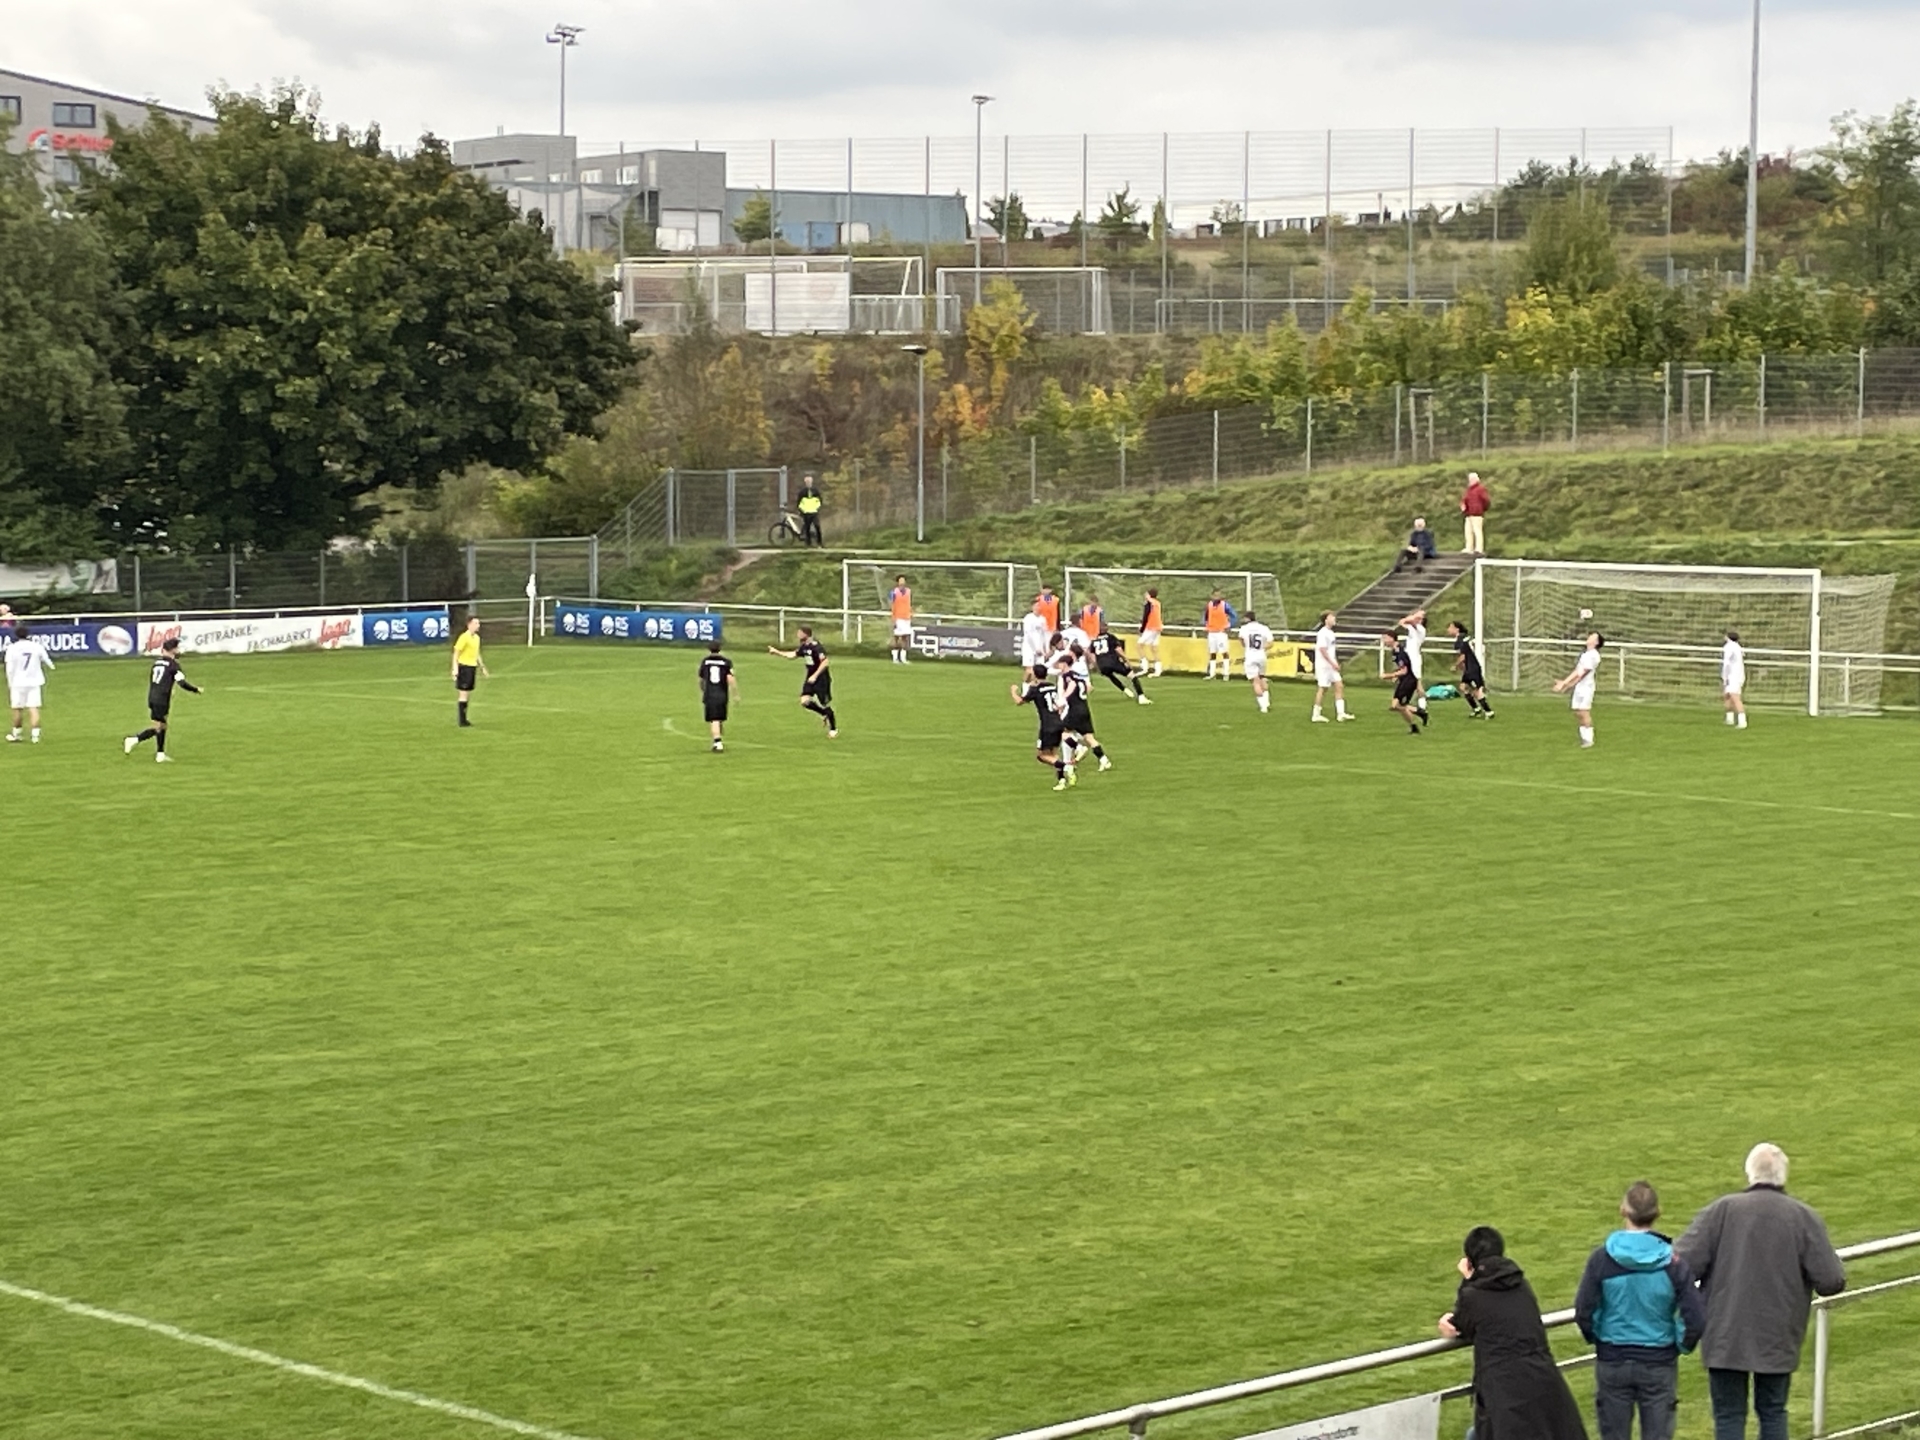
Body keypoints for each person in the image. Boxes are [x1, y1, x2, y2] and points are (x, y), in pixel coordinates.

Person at [1674, 1144, 1846, 1440]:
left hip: (1726, 1334)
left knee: (1729, 1415)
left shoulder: (1721, 1211)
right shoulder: (1803, 1217)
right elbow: (1831, 1280)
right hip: (1777, 1334)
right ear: (1783, 1175)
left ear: (1749, 1172)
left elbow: (1682, 1266)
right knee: (1773, 1411)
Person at [1575, 1181, 1708, 1440]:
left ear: (1623, 1210)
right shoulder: (1673, 1264)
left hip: (1613, 1359)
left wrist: (1598, 1337)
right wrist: (1679, 1344)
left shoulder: (1602, 1259)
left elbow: (1584, 1310)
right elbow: (1696, 1318)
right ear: (1658, 1213)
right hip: (1658, 1361)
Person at [1439, 1226, 1589, 1440]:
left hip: (1506, 1393)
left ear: (1470, 1261)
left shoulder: (1473, 1295)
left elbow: (1461, 1323)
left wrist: (1468, 1280)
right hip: (1543, 1380)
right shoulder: (1522, 1286)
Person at [125, 637, 203, 763]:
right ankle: (134, 740)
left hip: (153, 696)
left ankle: (160, 754)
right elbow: (182, 683)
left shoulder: (156, 663)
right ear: (172, 650)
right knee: (159, 727)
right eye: (177, 648)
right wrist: (196, 689)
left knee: (162, 725)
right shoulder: (173, 665)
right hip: (161, 699)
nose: (179, 650)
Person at [1012, 664, 1074, 791]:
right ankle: (1061, 781)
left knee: (1041, 756)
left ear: (1035, 674)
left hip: (1047, 726)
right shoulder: (1052, 686)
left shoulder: (1035, 689)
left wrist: (1013, 691)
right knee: (1053, 754)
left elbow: (1019, 701)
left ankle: (1066, 767)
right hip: (1058, 722)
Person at [769, 626, 838, 737]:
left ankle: (833, 729)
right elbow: (792, 655)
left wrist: (815, 676)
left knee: (825, 704)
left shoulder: (817, 647)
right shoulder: (804, 647)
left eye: (799, 633)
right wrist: (777, 652)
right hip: (810, 678)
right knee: (804, 701)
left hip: (821, 679)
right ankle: (824, 714)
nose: (798, 635)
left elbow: (825, 662)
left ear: (806, 634)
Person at [1054, 644, 1110, 773]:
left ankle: (1079, 748)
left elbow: (1070, 689)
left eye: (1060, 664)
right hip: (1084, 708)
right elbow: (1087, 688)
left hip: (1075, 710)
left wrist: (1060, 703)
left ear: (1065, 664)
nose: (1059, 666)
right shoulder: (1079, 676)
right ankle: (1104, 760)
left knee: (1061, 731)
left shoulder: (1068, 677)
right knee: (1089, 738)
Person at [5, 620, 53, 744]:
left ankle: (16, 734)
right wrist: (50, 666)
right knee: (33, 708)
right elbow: (47, 660)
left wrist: (10, 682)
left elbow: (9, 668)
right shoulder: (36, 646)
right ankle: (35, 736)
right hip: (34, 681)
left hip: (17, 682)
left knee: (17, 708)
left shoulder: (12, 648)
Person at [1553, 632, 1604, 748]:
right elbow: (1577, 672)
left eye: (1592, 637)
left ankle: (1589, 739)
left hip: (1587, 687)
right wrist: (1566, 684)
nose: (1589, 638)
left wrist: (1565, 683)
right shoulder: (1585, 654)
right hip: (1580, 686)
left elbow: (1582, 673)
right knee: (1577, 711)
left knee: (1584, 711)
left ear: (1596, 642)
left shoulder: (1594, 655)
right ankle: (1584, 738)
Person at [1311, 611, 1353, 722]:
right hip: (1324, 665)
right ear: (1326, 620)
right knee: (1323, 688)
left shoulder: (1330, 633)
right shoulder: (1322, 633)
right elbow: (1322, 650)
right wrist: (1332, 663)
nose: (1334, 618)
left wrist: (1334, 662)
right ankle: (1316, 714)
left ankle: (1341, 713)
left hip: (1330, 665)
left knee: (1339, 685)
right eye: (1331, 617)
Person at [1449, 620, 1495, 719]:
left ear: (1456, 629)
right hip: (1469, 669)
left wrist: (1455, 666)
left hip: (1473, 668)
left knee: (1476, 691)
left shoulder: (1461, 639)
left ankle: (1489, 711)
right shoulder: (1463, 638)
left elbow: (1463, 656)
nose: (1448, 630)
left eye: (1450, 627)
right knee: (1463, 687)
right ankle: (1476, 709)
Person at [1091, 623, 1148, 704]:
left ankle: (1125, 690)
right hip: (1113, 662)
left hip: (1102, 665)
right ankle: (1141, 697)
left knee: (1110, 675)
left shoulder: (1094, 640)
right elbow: (1119, 650)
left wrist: (1097, 667)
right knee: (1132, 676)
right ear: (1106, 628)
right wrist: (1127, 661)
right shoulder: (1111, 637)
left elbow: (1093, 657)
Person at [698, 641, 738, 752]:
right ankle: (718, 735)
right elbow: (730, 678)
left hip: (710, 694)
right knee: (718, 718)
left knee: (714, 719)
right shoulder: (726, 662)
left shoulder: (705, 662)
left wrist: (703, 690)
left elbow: (701, 679)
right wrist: (735, 693)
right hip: (722, 694)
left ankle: (718, 743)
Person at [1384, 630, 1424, 734]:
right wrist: (1396, 676)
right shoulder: (1395, 651)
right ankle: (1417, 718)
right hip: (1404, 680)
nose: (1384, 641)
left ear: (1392, 638)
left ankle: (1418, 715)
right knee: (1396, 705)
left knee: (1398, 706)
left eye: (1385, 638)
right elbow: (1402, 668)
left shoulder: (1399, 651)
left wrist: (1389, 675)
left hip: (1409, 681)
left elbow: (1404, 671)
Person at [452, 615, 488, 726]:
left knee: (467, 693)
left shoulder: (476, 638)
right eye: (476, 623)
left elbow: (476, 654)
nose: (478, 625)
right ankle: (462, 720)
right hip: (464, 667)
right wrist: (455, 668)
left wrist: (482, 667)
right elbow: (456, 653)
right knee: (463, 693)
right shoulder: (464, 637)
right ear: (469, 625)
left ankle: (464, 718)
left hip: (472, 667)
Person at [1398, 606, 1431, 720]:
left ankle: (1422, 706)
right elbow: (1402, 622)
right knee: (1407, 680)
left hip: (1415, 659)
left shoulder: (1421, 629)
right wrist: (1415, 615)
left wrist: (1416, 615)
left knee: (1417, 683)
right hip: (1409, 659)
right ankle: (1403, 701)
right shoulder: (1413, 628)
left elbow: (1409, 620)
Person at [1238, 610, 1274, 713]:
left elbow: (1241, 641)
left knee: (1255, 681)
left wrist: (1246, 645)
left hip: (1250, 656)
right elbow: (1271, 643)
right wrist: (1262, 648)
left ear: (1247, 618)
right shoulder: (1263, 628)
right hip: (1261, 656)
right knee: (1262, 678)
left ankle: (1263, 706)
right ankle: (1267, 701)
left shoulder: (1244, 628)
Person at [1203, 590, 1237, 680]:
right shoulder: (1209, 605)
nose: (1216, 597)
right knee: (1212, 653)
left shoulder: (1224, 605)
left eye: (1218, 595)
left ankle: (1226, 673)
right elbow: (1206, 617)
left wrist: (1230, 625)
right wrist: (1206, 625)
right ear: (1212, 596)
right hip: (1211, 632)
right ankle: (1212, 674)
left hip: (1221, 632)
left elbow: (1234, 615)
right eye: (1215, 595)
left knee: (1224, 652)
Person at [1722, 631, 1748, 729]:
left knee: (1735, 697)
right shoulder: (1737, 647)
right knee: (1727, 696)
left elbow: (1727, 663)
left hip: (1733, 676)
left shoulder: (1729, 647)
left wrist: (1725, 676)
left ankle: (1742, 721)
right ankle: (1730, 718)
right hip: (1738, 675)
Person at [1462, 472, 1491, 554]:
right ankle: (1469, 548)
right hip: (1468, 513)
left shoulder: (1480, 489)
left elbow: (1486, 500)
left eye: (1471, 479)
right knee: (1468, 531)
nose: (1470, 480)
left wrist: (1482, 509)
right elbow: (1465, 500)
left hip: (1477, 513)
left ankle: (1479, 549)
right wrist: (1463, 506)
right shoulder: (1469, 490)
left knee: (1477, 531)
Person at [1020, 599, 1053, 672]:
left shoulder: (1043, 619)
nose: (1038, 608)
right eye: (1036, 606)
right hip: (1029, 647)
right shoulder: (1028, 618)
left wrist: (1047, 649)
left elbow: (1045, 635)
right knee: (1029, 668)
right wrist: (1035, 649)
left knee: (1039, 669)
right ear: (1032, 607)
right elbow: (1028, 635)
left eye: (1039, 606)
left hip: (1040, 648)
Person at [1138, 588, 1165, 677]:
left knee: (1139, 645)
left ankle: (1144, 668)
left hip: (1151, 627)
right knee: (1154, 648)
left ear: (1149, 595)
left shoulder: (1149, 603)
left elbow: (1146, 617)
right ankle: (1158, 670)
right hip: (1158, 627)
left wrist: (1142, 629)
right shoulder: (1157, 603)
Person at [888, 576, 913, 664]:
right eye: (900, 581)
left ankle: (903, 658)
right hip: (898, 617)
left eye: (903, 581)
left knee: (905, 638)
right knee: (896, 637)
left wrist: (911, 612)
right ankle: (895, 658)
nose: (902, 582)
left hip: (906, 617)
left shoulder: (909, 591)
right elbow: (892, 605)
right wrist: (893, 617)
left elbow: (909, 603)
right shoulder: (894, 592)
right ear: (898, 582)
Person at [796, 473, 824, 547]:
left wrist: (817, 508)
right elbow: (799, 502)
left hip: (814, 512)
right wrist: (801, 510)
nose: (808, 483)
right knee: (807, 528)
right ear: (805, 482)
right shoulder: (802, 492)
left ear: (812, 482)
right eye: (807, 482)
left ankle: (819, 543)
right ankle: (808, 543)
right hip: (806, 512)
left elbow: (820, 500)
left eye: (809, 481)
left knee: (817, 526)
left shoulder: (815, 491)